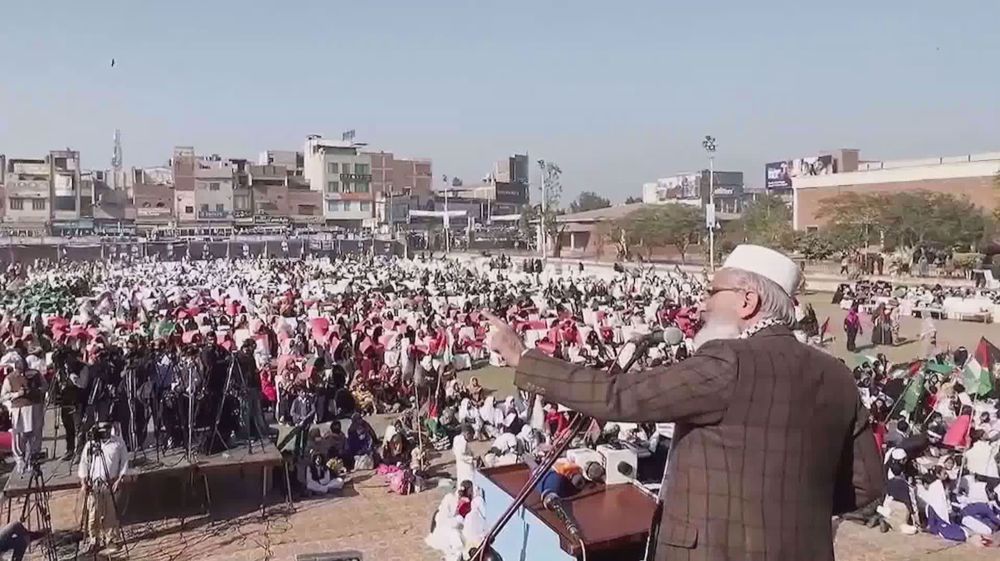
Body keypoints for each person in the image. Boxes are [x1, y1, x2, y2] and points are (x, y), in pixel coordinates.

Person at [485, 244, 886, 561]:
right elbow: (867, 486)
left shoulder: (728, 361)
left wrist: (522, 356)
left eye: (713, 292)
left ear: (747, 301)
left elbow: (619, 395)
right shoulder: (836, 374)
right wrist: (794, 508)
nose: (702, 304)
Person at [78, 422, 128, 553]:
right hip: (95, 484)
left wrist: (119, 479)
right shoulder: (91, 445)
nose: (104, 432)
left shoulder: (118, 443)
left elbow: (124, 462)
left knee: (111, 514)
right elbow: (84, 463)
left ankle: (111, 539)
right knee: (93, 514)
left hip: (110, 484)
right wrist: (84, 482)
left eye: (106, 429)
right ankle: (94, 540)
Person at [0, 353, 47, 473]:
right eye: (20, 371)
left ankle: (33, 459)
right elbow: (3, 396)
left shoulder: (35, 374)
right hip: (19, 410)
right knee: (19, 436)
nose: (22, 374)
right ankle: (20, 460)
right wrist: (17, 394)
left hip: (35, 407)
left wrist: (35, 391)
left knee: (35, 434)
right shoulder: (10, 378)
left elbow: (45, 387)